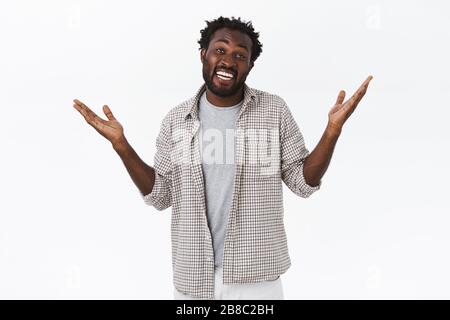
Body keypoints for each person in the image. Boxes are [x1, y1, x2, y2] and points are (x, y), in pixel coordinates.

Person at [73, 16, 373, 300]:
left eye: (240, 55)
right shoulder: (176, 120)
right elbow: (162, 195)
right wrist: (122, 145)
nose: (229, 61)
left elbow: (301, 182)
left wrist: (332, 131)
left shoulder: (274, 111)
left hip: (257, 280)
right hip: (193, 278)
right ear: (203, 55)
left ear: (251, 65)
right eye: (220, 50)